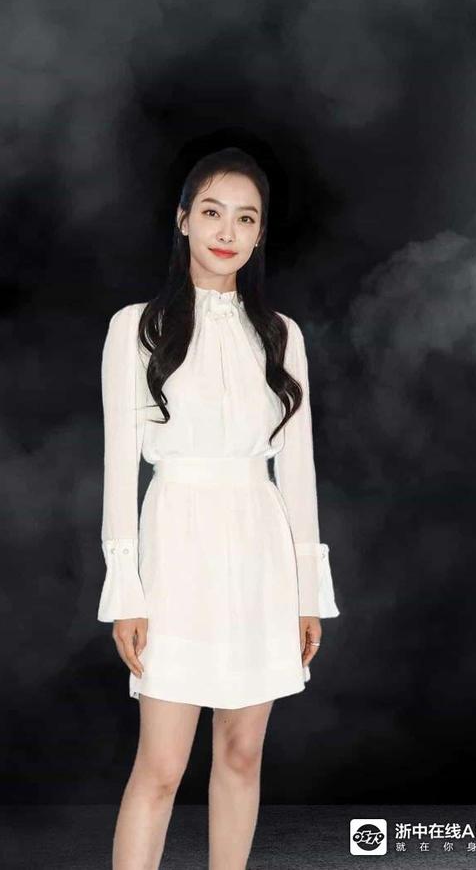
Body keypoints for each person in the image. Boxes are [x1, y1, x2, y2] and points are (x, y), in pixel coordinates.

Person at [97, 145, 340, 870]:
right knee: (161, 766)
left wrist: (307, 592)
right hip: (177, 544)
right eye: (211, 212)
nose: (227, 231)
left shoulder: (281, 335)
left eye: (245, 218)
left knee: (240, 754)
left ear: (260, 234)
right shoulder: (136, 326)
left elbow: (297, 469)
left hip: (259, 549)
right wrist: (126, 589)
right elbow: (118, 465)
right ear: (183, 220)